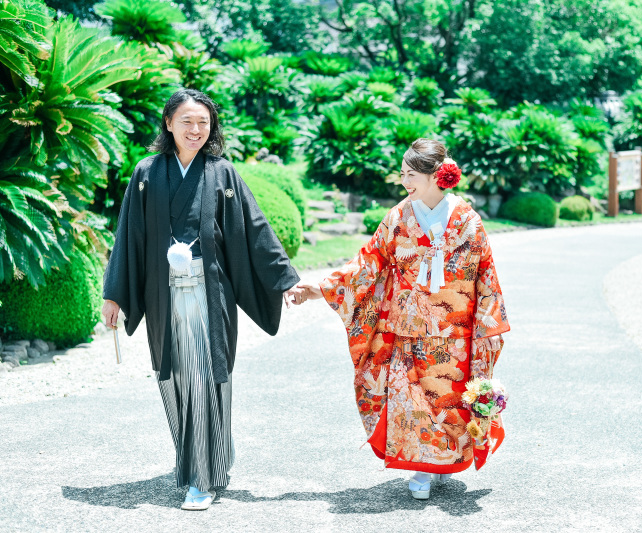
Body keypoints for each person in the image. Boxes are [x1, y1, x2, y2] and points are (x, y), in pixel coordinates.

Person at [101, 89, 300, 511]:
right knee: (179, 378)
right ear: (168, 123)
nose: (195, 130)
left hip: (211, 296)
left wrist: (284, 280)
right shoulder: (146, 173)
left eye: (203, 122)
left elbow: (255, 229)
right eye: (187, 121)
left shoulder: (221, 172)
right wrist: (114, 294)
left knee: (206, 375)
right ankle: (212, 455)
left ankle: (201, 477)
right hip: (165, 296)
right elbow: (129, 236)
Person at [289, 138, 509, 500]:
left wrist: (488, 325)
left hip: (456, 331)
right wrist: (321, 288)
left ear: (436, 175)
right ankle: (422, 467)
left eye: (411, 174)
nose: (404, 181)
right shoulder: (398, 217)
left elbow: (486, 274)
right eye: (403, 173)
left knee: (449, 399)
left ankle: (442, 460)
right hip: (407, 328)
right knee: (413, 399)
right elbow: (369, 262)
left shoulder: (468, 220)